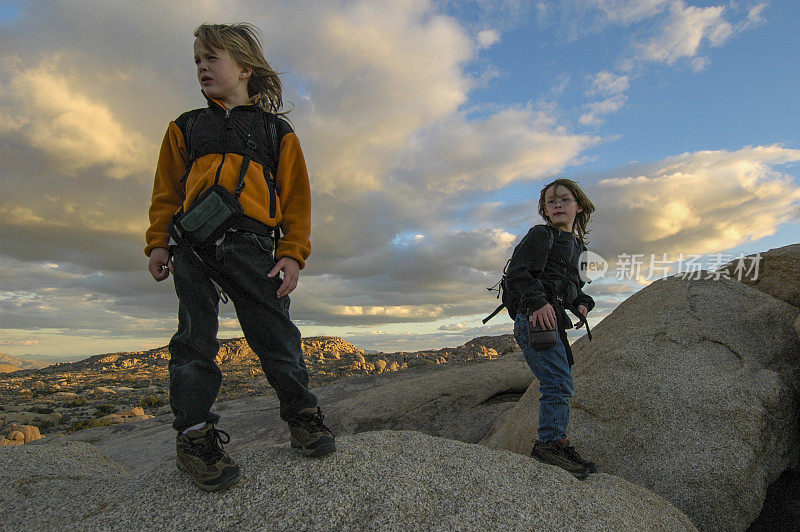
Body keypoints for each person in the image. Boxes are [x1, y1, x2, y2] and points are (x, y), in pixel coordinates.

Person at [145, 23, 334, 492]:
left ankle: (303, 417)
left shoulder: (276, 131)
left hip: (253, 247)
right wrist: (157, 242)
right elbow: (166, 191)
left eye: (212, 58)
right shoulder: (185, 126)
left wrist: (292, 254)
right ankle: (194, 437)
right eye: (196, 62)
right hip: (191, 246)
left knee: (275, 335)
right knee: (193, 340)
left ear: (245, 68)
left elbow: (297, 200)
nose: (202, 68)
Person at [505, 178, 596, 479]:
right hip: (533, 319)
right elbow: (520, 272)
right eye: (551, 201)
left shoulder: (579, 247)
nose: (557, 204)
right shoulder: (541, 235)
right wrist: (538, 302)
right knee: (558, 383)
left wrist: (582, 304)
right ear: (545, 209)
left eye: (564, 199)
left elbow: (572, 289)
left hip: (551, 319)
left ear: (578, 206)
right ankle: (548, 447)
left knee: (561, 382)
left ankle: (557, 442)